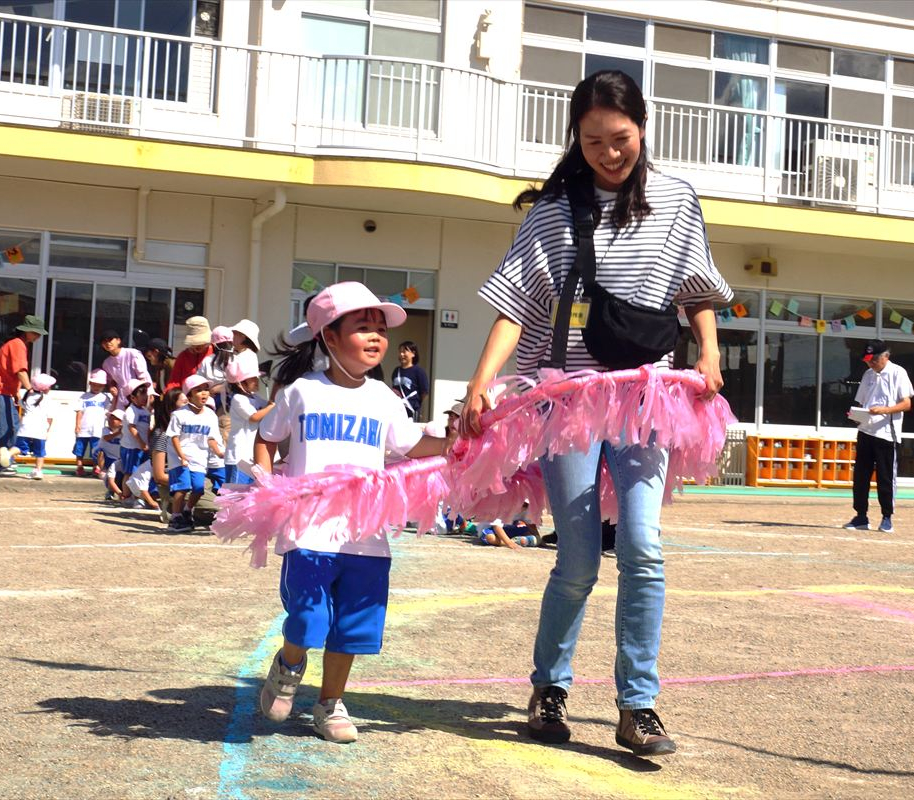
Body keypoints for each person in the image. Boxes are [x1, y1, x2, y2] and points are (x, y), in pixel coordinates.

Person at [460, 70, 732, 757]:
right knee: (578, 558)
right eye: (593, 141)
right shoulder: (552, 213)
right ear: (575, 138)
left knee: (643, 548)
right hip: (570, 401)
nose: (609, 153)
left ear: (643, 128)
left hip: (645, 398)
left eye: (621, 139)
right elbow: (516, 304)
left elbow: (697, 287)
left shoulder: (676, 201)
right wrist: (480, 383)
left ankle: (638, 704)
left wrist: (708, 352)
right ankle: (549, 687)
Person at [253, 281, 453, 744]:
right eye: (363, 327)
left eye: (380, 329)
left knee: (350, 628)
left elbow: (410, 445)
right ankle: (289, 665)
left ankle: (330, 703)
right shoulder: (301, 391)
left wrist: (453, 443)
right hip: (309, 530)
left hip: (365, 534)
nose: (376, 337)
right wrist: (266, 488)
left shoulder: (384, 398)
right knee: (307, 619)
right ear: (329, 337)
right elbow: (268, 437)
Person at [843, 340, 914, 534]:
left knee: (885, 477)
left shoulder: (898, 373)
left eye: (874, 359)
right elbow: (861, 402)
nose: (871, 363)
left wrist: (884, 410)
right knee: (860, 476)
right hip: (866, 431)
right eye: (868, 360)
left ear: (886, 356)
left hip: (887, 434)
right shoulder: (868, 374)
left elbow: (906, 404)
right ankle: (861, 516)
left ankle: (887, 517)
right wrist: (856, 416)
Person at [0, 315, 48, 475]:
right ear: (27, 332)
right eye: (36, 332)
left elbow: (11, 372)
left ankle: (7, 460)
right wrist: (31, 391)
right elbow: (20, 371)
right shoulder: (18, 345)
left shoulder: (16, 344)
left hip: (1, 391)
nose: (39, 335)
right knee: (6, 428)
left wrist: (18, 394)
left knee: (13, 427)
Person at [166, 374, 223, 533]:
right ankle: (175, 517)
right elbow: (174, 436)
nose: (204, 393)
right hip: (179, 457)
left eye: (206, 390)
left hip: (199, 457)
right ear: (189, 394)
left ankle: (187, 510)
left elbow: (211, 438)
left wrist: (219, 452)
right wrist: (181, 455)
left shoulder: (210, 415)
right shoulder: (179, 414)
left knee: (198, 488)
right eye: (198, 390)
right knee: (182, 487)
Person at [224, 351, 273, 485]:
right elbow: (254, 417)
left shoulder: (255, 398)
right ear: (241, 383)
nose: (256, 381)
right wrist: (272, 406)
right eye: (252, 378)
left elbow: (268, 406)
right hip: (238, 456)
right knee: (235, 496)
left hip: (250, 456)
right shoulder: (238, 399)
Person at [0, 373, 56, 480]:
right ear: (45, 388)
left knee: (20, 447)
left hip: (26, 427)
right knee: (40, 452)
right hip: (40, 429)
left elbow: (20, 402)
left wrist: (17, 392)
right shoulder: (48, 400)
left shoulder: (28, 396)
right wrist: (47, 430)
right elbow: (50, 417)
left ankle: (9, 453)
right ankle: (38, 471)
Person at [150, 387, 185, 524]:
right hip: (174, 484)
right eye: (185, 402)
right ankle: (170, 507)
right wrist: (186, 483)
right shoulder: (163, 435)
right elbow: (159, 475)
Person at [118, 378, 155, 497]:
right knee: (130, 471)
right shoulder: (131, 411)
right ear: (132, 397)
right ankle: (126, 496)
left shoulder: (145, 411)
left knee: (140, 471)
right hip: (131, 447)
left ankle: (137, 495)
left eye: (146, 393)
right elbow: (132, 428)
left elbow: (147, 428)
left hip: (142, 447)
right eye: (142, 393)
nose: (145, 396)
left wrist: (147, 442)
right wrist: (141, 443)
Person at [99, 330, 150, 410]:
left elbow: (143, 376)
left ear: (118, 340)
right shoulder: (106, 363)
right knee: (116, 421)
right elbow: (111, 381)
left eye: (110, 340)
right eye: (104, 342)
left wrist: (146, 396)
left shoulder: (133, 354)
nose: (108, 343)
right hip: (122, 399)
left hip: (139, 398)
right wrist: (111, 387)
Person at [73, 369, 111, 477]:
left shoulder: (105, 398)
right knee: (80, 447)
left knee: (97, 449)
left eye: (100, 385)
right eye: (94, 384)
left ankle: (96, 467)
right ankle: (79, 466)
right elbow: (79, 411)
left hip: (98, 428)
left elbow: (108, 412)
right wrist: (77, 425)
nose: (97, 387)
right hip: (84, 427)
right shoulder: (84, 397)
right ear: (90, 383)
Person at [167, 316, 213, 391]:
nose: (197, 345)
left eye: (201, 342)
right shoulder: (183, 357)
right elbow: (174, 382)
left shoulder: (215, 353)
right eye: (195, 343)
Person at [390, 341, 429, 421]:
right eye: (400, 352)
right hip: (396, 410)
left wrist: (416, 404)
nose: (401, 354)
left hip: (411, 411)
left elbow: (424, 392)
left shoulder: (418, 371)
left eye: (404, 351)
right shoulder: (396, 371)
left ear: (413, 354)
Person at [99, 410, 124, 502]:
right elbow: (106, 437)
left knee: (120, 476)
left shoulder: (125, 431)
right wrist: (118, 433)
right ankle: (110, 491)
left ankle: (122, 493)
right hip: (108, 458)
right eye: (111, 418)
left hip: (120, 458)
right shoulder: (105, 430)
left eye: (115, 419)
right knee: (110, 476)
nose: (111, 420)